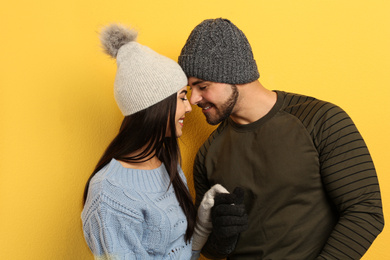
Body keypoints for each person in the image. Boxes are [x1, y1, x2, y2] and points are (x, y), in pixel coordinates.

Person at [178, 18, 384, 260]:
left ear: (234, 74)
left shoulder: (320, 120)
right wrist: (222, 238)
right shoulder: (208, 153)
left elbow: (365, 211)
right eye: (191, 89)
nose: (193, 100)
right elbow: (209, 248)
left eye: (202, 86)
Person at [81, 23, 198, 259]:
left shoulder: (167, 162)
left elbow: (183, 248)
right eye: (182, 97)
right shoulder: (109, 193)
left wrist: (208, 221)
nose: (189, 107)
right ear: (156, 106)